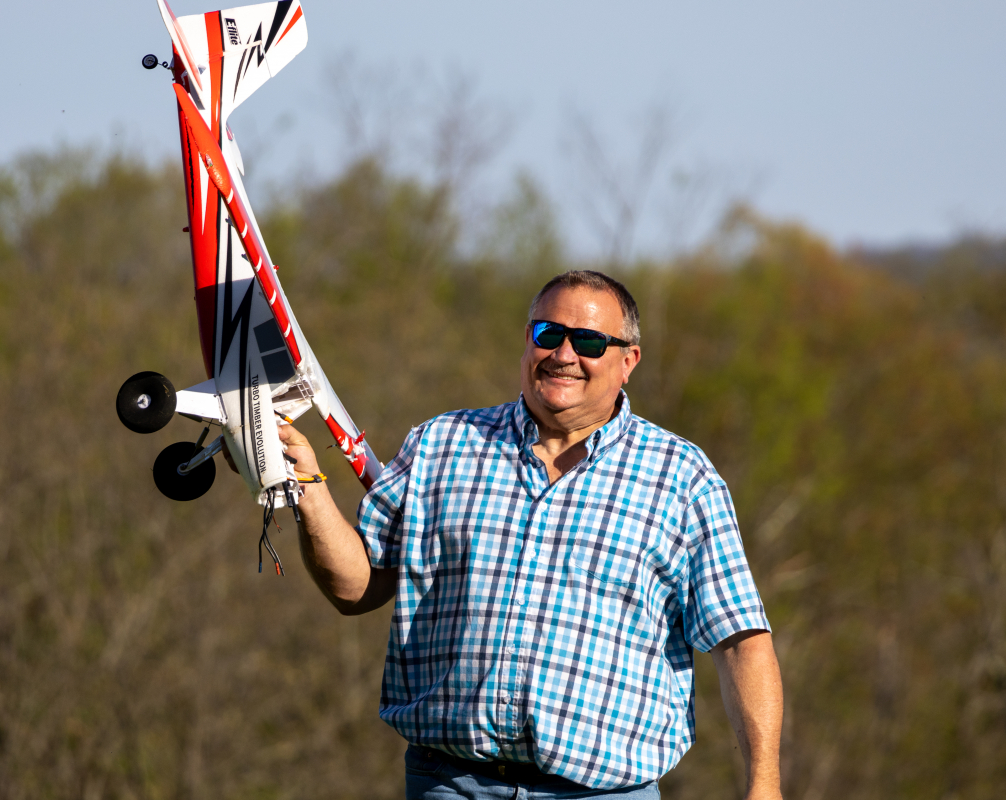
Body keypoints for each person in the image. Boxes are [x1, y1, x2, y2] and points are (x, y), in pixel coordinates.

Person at [278, 270, 783, 799]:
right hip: (450, 783)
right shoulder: (440, 445)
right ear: (527, 339)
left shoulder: (681, 478)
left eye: (589, 342)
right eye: (549, 334)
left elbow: (740, 644)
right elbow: (356, 588)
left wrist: (764, 786)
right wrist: (308, 486)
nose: (564, 354)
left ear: (628, 361)